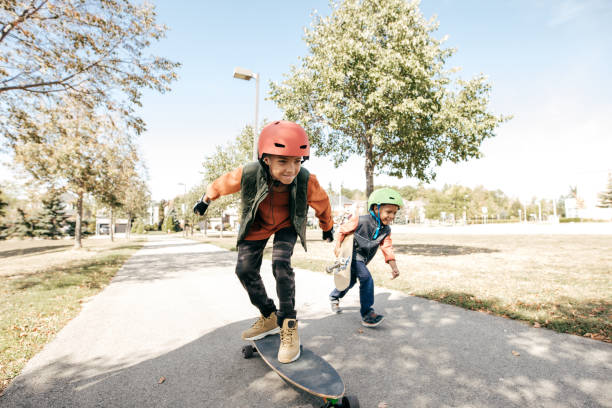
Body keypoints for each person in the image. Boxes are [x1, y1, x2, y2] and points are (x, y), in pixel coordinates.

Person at [193, 120, 334, 363]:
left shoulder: (306, 180)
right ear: (266, 159)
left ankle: (288, 324)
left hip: (287, 224)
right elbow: (223, 182)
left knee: (281, 265)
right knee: (244, 270)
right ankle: (268, 315)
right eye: (283, 161)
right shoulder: (248, 173)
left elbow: (322, 203)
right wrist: (206, 199)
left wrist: (327, 227)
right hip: (256, 224)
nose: (291, 169)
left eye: (297, 161)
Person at [329, 188, 402, 327]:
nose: (392, 216)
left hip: (363, 259)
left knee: (349, 282)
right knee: (366, 278)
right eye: (388, 212)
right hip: (352, 254)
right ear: (376, 208)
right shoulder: (361, 220)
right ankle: (367, 313)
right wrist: (338, 247)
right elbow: (343, 230)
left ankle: (334, 296)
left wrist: (394, 267)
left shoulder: (386, 230)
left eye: (394, 213)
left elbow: (387, 248)